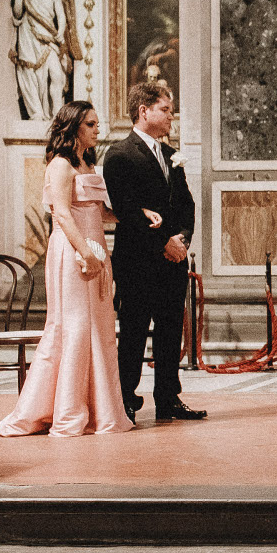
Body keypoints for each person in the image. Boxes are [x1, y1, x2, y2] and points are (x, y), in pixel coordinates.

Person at [0, 102, 131, 437]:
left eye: (98, 123)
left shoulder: (88, 163)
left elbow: (100, 213)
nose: (97, 129)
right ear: (73, 127)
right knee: (73, 327)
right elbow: (63, 214)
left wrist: (138, 215)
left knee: (97, 328)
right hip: (72, 252)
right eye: (91, 124)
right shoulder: (59, 165)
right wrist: (86, 252)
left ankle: (99, 410)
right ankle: (66, 411)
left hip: (97, 249)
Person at [103, 81, 204, 425]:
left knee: (170, 330)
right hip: (138, 261)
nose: (171, 117)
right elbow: (127, 210)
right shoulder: (119, 154)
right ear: (144, 111)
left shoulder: (171, 154)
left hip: (172, 260)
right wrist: (164, 242)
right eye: (165, 110)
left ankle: (168, 397)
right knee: (133, 331)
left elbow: (186, 203)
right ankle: (125, 398)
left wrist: (183, 239)